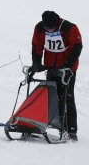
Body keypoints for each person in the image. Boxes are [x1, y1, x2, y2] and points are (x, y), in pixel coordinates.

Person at [30, 10, 83, 141]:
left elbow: (77, 47)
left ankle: (71, 129)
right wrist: (36, 63)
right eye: (47, 28)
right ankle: (50, 122)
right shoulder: (40, 28)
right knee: (51, 95)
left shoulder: (69, 28)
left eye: (52, 28)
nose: (50, 31)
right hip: (51, 67)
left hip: (67, 69)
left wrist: (68, 66)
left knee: (67, 96)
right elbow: (37, 45)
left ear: (57, 22)